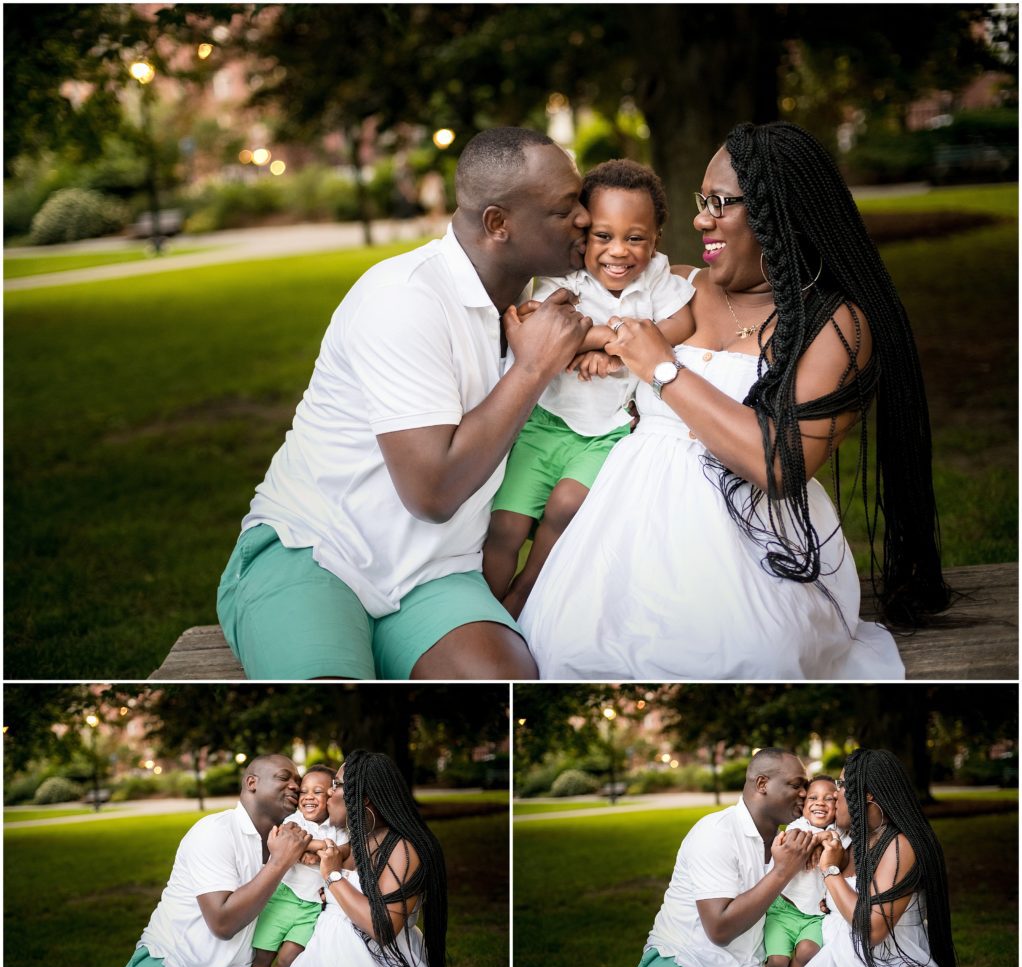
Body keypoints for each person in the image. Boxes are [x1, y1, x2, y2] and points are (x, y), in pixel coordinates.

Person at [520, 121, 951, 679]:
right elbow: (574, 307)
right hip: (622, 534)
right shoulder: (673, 286)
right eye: (704, 201)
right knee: (569, 651)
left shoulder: (835, 327)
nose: (701, 218)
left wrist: (663, 369)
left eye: (721, 202)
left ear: (780, 211)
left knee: (743, 658)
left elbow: (778, 465)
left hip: (755, 553)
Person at [217, 127, 592, 680]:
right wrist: (533, 368)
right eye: (565, 210)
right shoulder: (403, 299)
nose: (585, 217)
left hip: (438, 574)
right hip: (318, 550)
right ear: (498, 224)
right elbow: (432, 491)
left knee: (504, 684)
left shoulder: (541, 307)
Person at [483, 159, 695, 617]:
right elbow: (540, 324)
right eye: (603, 236)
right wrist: (614, 339)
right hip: (545, 425)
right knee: (506, 526)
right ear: (583, 234)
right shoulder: (567, 276)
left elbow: (683, 321)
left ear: (655, 238)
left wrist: (611, 348)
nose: (619, 251)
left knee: (564, 511)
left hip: (607, 435)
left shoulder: (657, 276)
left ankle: (523, 599)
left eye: (635, 237)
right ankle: (481, 606)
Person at [785, 749, 980, 967]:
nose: (835, 793)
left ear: (868, 794)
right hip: (836, 963)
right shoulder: (854, 842)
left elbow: (872, 930)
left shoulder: (900, 845)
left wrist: (830, 872)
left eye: (841, 785)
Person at [270, 751, 461, 967]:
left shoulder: (402, 848)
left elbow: (382, 927)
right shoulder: (363, 840)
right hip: (324, 963)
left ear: (364, 797)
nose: (329, 794)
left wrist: (333, 877)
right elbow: (330, 853)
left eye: (335, 785)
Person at [119, 755, 312, 967]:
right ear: (252, 783)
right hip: (169, 962)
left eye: (298, 781)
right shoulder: (214, 831)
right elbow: (222, 922)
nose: (295, 786)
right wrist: (279, 863)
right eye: (284, 777)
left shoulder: (287, 840)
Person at [631, 749, 815, 967]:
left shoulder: (787, 843)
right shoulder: (716, 832)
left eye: (806, 786)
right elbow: (719, 928)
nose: (804, 793)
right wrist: (782, 872)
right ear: (762, 784)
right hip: (680, 959)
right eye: (796, 784)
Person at [251, 764, 349, 967]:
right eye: (304, 792)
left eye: (317, 791)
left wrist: (309, 849)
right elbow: (286, 838)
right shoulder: (294, 820)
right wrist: (320, 849)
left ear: (331, 795)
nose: (308, 797)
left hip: (312, 907)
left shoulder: (338, 827)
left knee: (288, 960)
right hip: (282, 898)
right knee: (262, 956)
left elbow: (346, 851)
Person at [763, 776, 846, 967]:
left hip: (814, 917)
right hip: (783, 910)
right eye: (813, 797)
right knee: (777, 962)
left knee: (808, 952)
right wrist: (821, 838)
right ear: (804, 805)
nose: (820, 802)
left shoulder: (842, 834)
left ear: (837, 806)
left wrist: (827, 837)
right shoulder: (798, 826)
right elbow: (792, 839)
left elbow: (842, 858)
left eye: (829, 799)